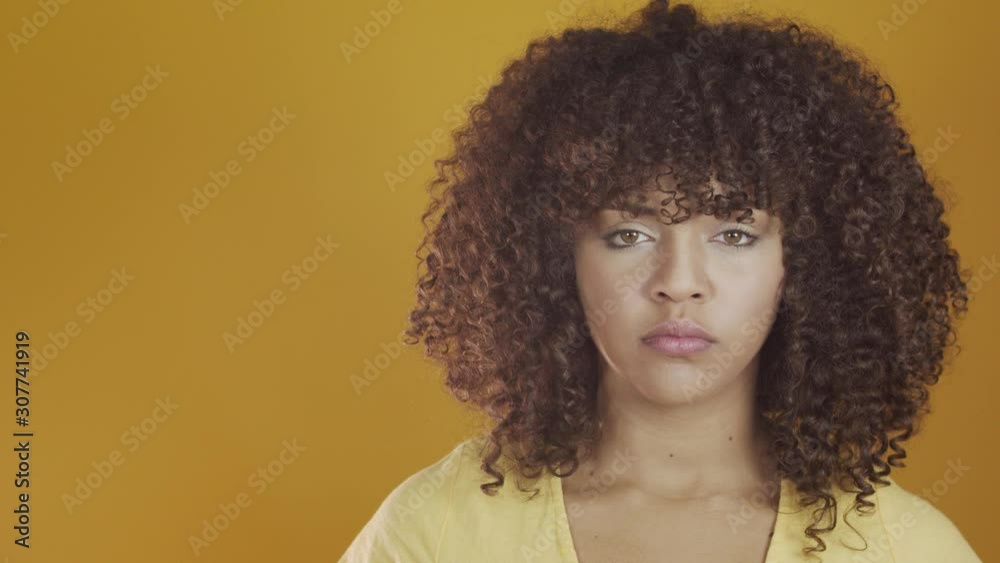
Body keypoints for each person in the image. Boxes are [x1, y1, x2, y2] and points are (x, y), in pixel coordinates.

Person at [341, 0, 982, 561]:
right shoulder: (436, 533)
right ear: (554, 257)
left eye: (734, 235)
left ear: (808, 265)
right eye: (629, 235)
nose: (678, 283)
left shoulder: (904, 549)